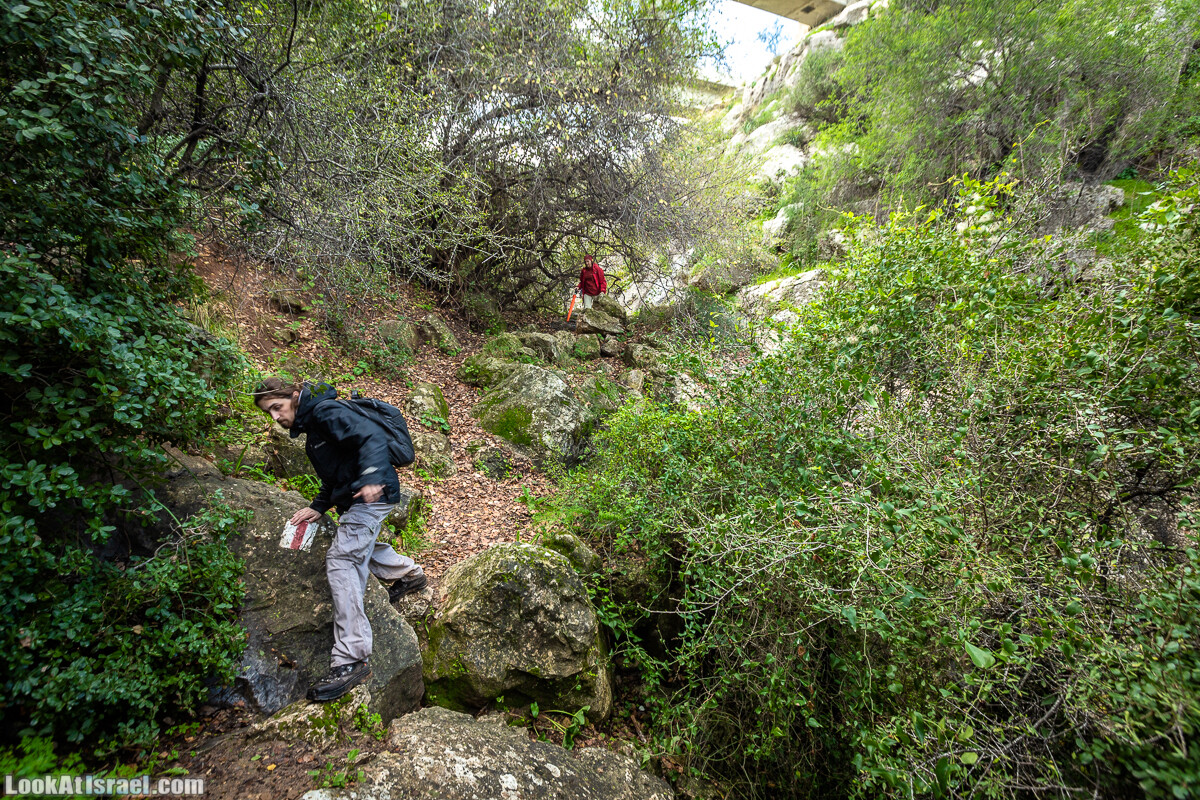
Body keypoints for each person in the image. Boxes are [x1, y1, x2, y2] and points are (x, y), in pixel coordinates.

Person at [253, 377, 427, 702]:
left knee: (343, 559)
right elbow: (336, 476)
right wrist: (318, 507)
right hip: (359, 498)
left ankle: (351, 658)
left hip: (371, 495)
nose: (276, 417)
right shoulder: (314, 433)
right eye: (269, 413)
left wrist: (373, 475)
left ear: (293, 396)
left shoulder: (324, 412)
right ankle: (410, 575)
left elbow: (371, 436)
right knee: (361, 546)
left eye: (277, 407)